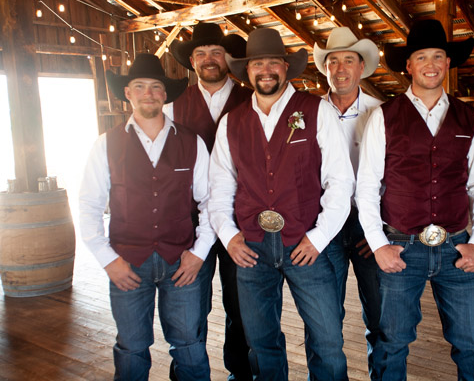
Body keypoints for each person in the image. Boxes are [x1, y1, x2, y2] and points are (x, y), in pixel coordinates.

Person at [355, 19, 474, 380]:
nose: (431, 64)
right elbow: (367, 187)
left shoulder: (469, 117)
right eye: (422, 57)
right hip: (401, 247)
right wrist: (378, 245)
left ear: (448, 63)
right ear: (409, 65)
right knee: (392, 341)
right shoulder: (383, 118)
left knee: (469, 340)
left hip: (456, 248)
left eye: (438, 56)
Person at [208, 28, 354, 380]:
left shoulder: (317, 111)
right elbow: (220, 187)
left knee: (328, 339)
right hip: (252, 249)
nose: (266, 70)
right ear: (248, 70)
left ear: (286, 67)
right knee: (261, 343)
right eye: (258, 63)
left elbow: (341, 182)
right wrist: (229, 237)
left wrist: (318, 238)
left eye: (273, 62)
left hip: (306, 245)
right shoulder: (232, 122)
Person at [79, 53, 216, 381]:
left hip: (180, 262)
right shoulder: (106, 145)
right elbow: (88, 207)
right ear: (127, 93)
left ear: (165, 94)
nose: (148, 93)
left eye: (155, 87)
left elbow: (212, 202)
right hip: (127, 262)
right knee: (131, 347)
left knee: (189, 344)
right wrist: (108, 260)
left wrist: (198, 254)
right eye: (139, 86)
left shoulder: (192, 142)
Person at [170, 21, 253, 381]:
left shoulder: (252, 100)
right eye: (201, 53)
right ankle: (189, 374)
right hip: (191, 225)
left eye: (216, 52)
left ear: (228, 58)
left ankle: (242, 373)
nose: (209, 59)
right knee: (190, 307)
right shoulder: (174, 106)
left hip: (242, 223)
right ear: (191, 60)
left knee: (242, 307)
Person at [312, 27, 383, 378]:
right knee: (324, 324)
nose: (340, 69)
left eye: (348, 61)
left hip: (368, 226)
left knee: (382, 321)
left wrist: (380, 231)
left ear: (361, 68)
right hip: (324, 226)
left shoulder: (380, 112)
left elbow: (396, 178)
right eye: (333, 61)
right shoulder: (307, 113)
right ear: (325, 68)